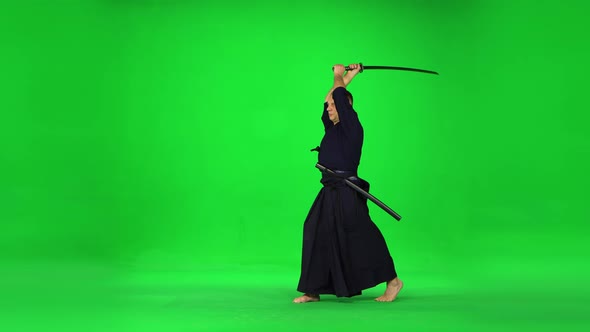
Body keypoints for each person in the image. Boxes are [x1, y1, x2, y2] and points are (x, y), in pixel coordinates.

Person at [293, 64, 403, 303]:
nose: (329, 108)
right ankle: (313, 289)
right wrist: (347, 77)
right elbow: (331, 97)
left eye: (334, 106)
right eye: (330, 106)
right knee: (314, 229)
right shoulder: (331, 128)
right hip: (330, 190)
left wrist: (338, 74)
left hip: (347, 190)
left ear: (347, 107)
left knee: (361, 233)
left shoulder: (351, 127)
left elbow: (340, 95)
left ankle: (393, 281)